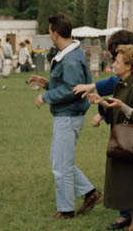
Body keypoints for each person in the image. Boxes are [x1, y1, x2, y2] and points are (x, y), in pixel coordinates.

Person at [27, 14, 102, 220]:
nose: (50, 34)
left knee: (61, 165)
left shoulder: (70, 59)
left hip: (68, 116)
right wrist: (47, 83)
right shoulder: (72, 55)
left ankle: (66, 209)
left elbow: (72, 89)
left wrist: (46, 96)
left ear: (55, 33)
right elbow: (70, 84)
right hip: (69, 115)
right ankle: (90, 193)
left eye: (50, 31)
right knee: (60, 161)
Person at [90, 43, 133, 231]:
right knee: (129, 182)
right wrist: (102, 103)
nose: (114, 64)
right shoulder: (121, 84)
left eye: (117, 61)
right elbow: (117, 108)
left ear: (128, 65)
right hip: (124, 141)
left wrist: (123, 106)